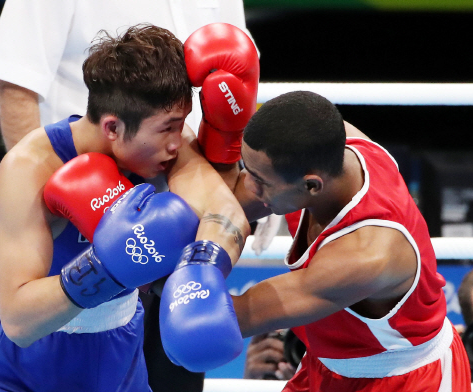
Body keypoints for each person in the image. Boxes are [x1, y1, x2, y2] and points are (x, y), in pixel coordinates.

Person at [0, 24, 252, 392]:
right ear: (113, 126)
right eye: (168, 128)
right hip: (21, 366)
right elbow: (19, 322)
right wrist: (104, 268)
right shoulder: (30, 168)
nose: (179, 142)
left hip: (117, 349)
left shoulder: (165, 147)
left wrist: (203, 264)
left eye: (182, 124)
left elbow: (226, 215)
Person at [162, 90, 472, 390]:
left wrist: (139, 270)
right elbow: (223, 203)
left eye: (262, 181)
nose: (248, 187)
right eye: (248, 170)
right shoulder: (327, 151)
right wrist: (175, 135)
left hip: (405, 381)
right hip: (329, 366)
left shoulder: (367, 256)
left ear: (312, 185)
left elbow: (220, 316)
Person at [0, 0, 255, 151]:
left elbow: (239, 73)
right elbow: (17, 85)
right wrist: (35, 190)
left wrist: (250, 167)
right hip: (87, 182)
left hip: (190, 181)